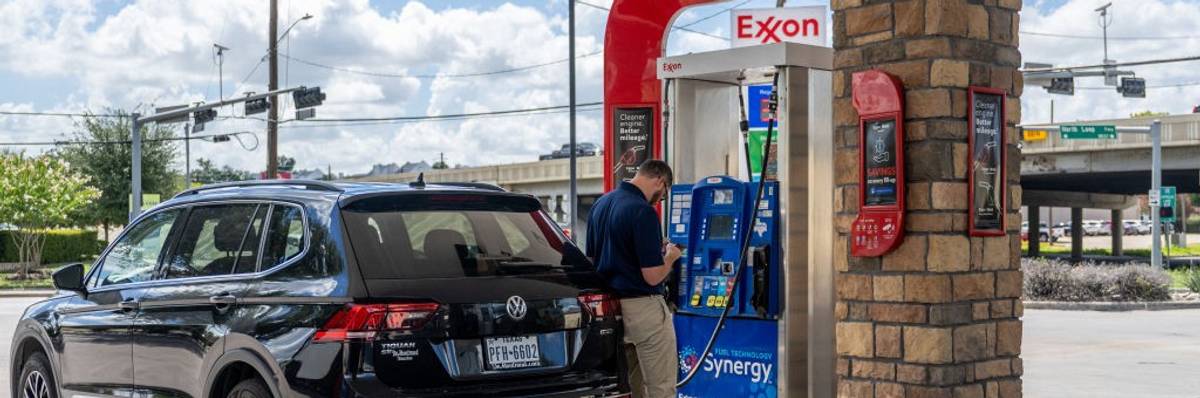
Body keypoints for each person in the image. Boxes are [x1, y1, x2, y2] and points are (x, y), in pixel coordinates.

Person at [586, 159, 682, 398]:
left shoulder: (600, 204)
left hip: (612, 309)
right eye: (664, 194)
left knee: (632, 385)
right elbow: (652, 276)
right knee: (660, 387)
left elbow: (592, 259)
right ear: (660, 180)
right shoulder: (643, 211)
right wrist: (670, 257)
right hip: (643, 309)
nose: (660, 199)